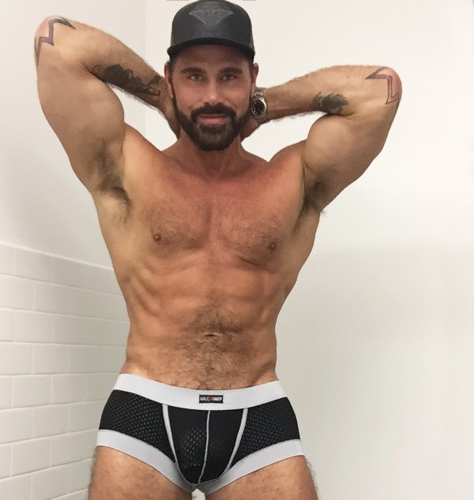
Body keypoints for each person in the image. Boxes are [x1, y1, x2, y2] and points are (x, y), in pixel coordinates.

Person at [34, 1, 401, 498]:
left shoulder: (292, 178)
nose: (212, 95)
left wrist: (265, 106)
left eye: (229, 76)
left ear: (252, 79)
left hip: (257, 415)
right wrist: (159, 96)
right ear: (171, 78)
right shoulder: (127, 164)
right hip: (145, 411)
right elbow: (58, 44)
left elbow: (380, 92)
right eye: (194, 76)